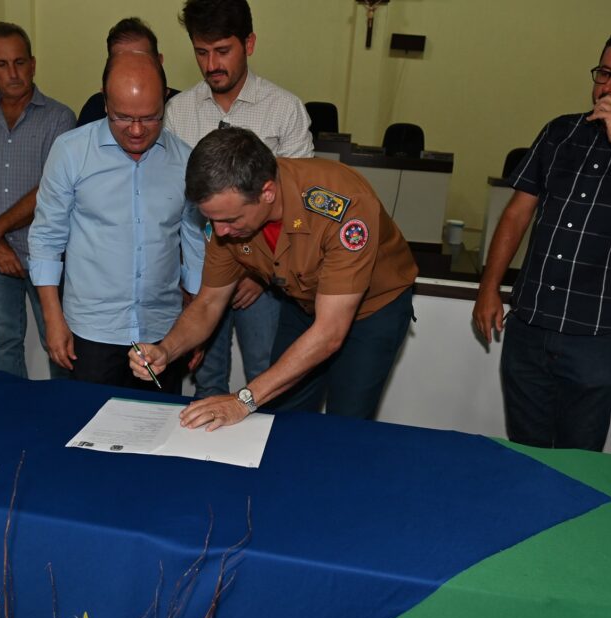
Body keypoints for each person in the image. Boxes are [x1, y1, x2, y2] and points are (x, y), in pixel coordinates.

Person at [472, 22, 611, 451]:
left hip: (598, 335)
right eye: (603, 73)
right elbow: (517, 213)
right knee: (526, 449)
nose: (608, 88)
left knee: (580, 457)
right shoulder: (560, 131)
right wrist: (489, 287)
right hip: (530, 321)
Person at [129, 126, 417, 430]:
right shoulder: (226, 218)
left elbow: (329, 333)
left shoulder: (344, 207)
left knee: (345, 421)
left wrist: (242, 400)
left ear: (267, 192)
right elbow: (209, 302)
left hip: (371, 312)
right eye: (213, 220)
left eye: (230, 220)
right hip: (302, 301)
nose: (221, 232)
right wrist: (166, 349)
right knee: (282, 413)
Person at [28, 51, 204, 390]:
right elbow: (46, 238)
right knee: (88, 429)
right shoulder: (70, 152)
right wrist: (52, 318)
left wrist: (193, 326)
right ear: (105, 102)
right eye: (123, 117)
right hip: (92, 331)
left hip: (162, 331)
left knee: (155, 431)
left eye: (150, 118)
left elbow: (195, 246)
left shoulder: (185, 160)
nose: (137, 131)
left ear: (165, 100)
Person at [166, 0, 314, 402]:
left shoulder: (284, 110)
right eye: (201, 52)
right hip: (202, 276)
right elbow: (177, 208)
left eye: (222, 50)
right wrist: (185, 277)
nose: (211, 63)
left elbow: (297, 206)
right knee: (205, 381)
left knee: (265, 379)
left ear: (248, 43)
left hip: (263, 282)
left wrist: (254, 273)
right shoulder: (177, 112)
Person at [0, 22, 75, 379]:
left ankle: (63, 414)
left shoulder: (59, 118)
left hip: (48, 256)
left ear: (33, 64)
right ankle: (10, 412)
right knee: (3, 342)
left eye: (20, 62)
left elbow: (50, 190)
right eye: (2, 64)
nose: (13, 73)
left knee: (60, 344)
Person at [75, 17, 179, 128]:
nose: (130, 69)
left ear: (159, 60)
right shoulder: (95, 108)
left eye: (140, 61)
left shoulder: (179, 106)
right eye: (122, 117)